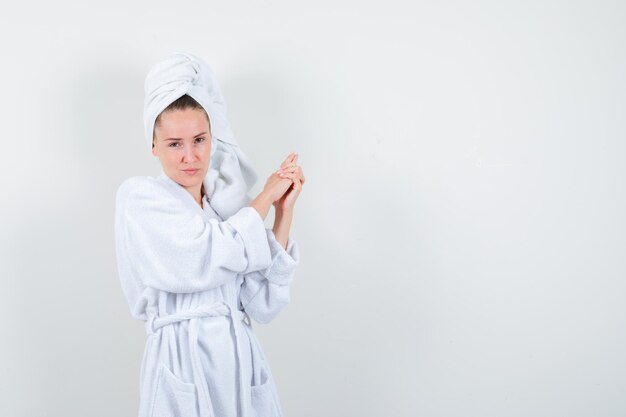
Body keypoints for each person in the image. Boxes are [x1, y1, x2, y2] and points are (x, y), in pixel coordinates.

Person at [114, 52, 305, 417]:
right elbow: (202, 257)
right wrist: (265, 196)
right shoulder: (141, 198)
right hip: (182, 362)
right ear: (153, 146)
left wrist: (283, 213)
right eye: (174, 144)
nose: (190, 156)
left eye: (199, 139)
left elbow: (263, 305)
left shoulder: (225, 210)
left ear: (212, 139)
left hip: (239, 363)